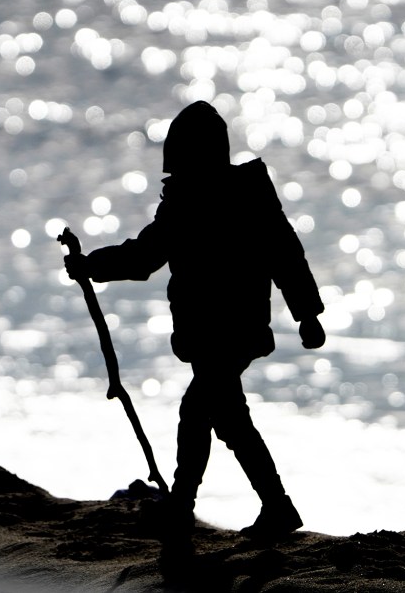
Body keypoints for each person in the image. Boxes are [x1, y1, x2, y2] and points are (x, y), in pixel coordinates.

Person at [65, 100, 325, 553]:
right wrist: (92, 265)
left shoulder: (213, 200)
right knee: (214, 413)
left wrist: (307, 313)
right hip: (221, 330)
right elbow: (147, 254)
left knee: (212, 414)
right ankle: (209, 506)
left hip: (227, 331)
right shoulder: (215, 197)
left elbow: (283, 255)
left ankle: (214, 506)